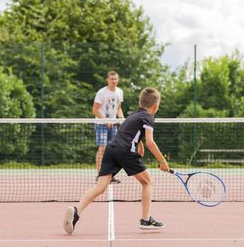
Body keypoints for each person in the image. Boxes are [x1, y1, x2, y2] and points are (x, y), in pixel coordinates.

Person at [64, 87, 169, 234]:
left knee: (100, 187)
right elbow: (151, 142)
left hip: (111, 148)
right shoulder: (148, 118)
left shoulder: (134, 115)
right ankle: (145, 220)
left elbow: (129, 130)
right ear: (156, 106)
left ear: (140, 102)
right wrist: (162, 161)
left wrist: (139, 143)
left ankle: (76, 210)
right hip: (125, 151)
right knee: (147, 182)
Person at [93, 71, 124, 184]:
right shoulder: (101, 93)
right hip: (101, 124)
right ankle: (100, 174)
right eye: (111, 79)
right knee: (102, 148)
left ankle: (110, 175)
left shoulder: (120, 92)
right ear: (107, 80)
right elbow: (95, 110)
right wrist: (105, 120)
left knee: (113, 150)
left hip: (113, 124)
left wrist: (122, 119)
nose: (114, 81)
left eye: (115, 79)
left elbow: (118, 108)